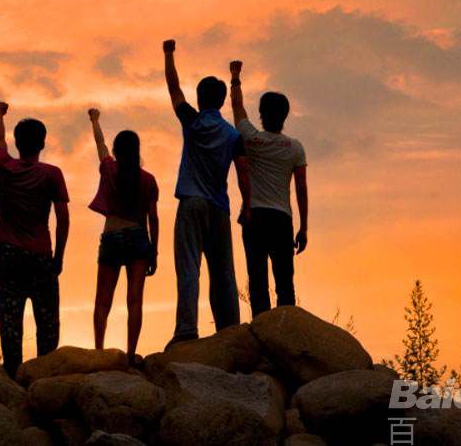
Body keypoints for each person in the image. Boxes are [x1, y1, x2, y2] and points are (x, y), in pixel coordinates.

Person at [162, 39, 251, 346]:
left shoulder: (193, 121)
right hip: (219, 207)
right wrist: (247, 205)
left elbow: (174, 88)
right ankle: (230, 331)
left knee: (189, 266)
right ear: (222, 101)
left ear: (199, 100)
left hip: (192, 202)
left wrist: (169, 54)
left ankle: (186, 329)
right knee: (224, 272)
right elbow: (243, 173)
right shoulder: (233, 134)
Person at [0, 102, 69, 379]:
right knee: (47, 321)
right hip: (40, 255)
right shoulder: (52, 174)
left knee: (9, 318)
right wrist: (58, 258)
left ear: (17, 143)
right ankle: (44, 375)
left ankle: (13, 374)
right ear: (43, 143)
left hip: (7, 253)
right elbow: (63, 219)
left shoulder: (4, 166)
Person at [228, 61, 308, 318]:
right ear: (285, 116)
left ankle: (261, 328)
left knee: (257, 280)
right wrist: (303, 227)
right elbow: (301, 189)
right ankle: (287, 329)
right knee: (285, 282)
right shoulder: (295, 147)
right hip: (282, 218)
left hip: (255, 216)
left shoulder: (251, 139)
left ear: (261, 114)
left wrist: (235, 77)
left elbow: (237, 107)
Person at [86, 108, 159, 365]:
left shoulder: (109, 169)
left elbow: (100, 144)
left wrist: (95, 120)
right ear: (137, 151)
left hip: (112, 236)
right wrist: (154, 251)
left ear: (117, 151)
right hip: (138, 238)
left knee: (102, 301)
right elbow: (153, 219)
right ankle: (130, 354)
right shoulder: (148, 180)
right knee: (135, 300)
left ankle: (99, 351)